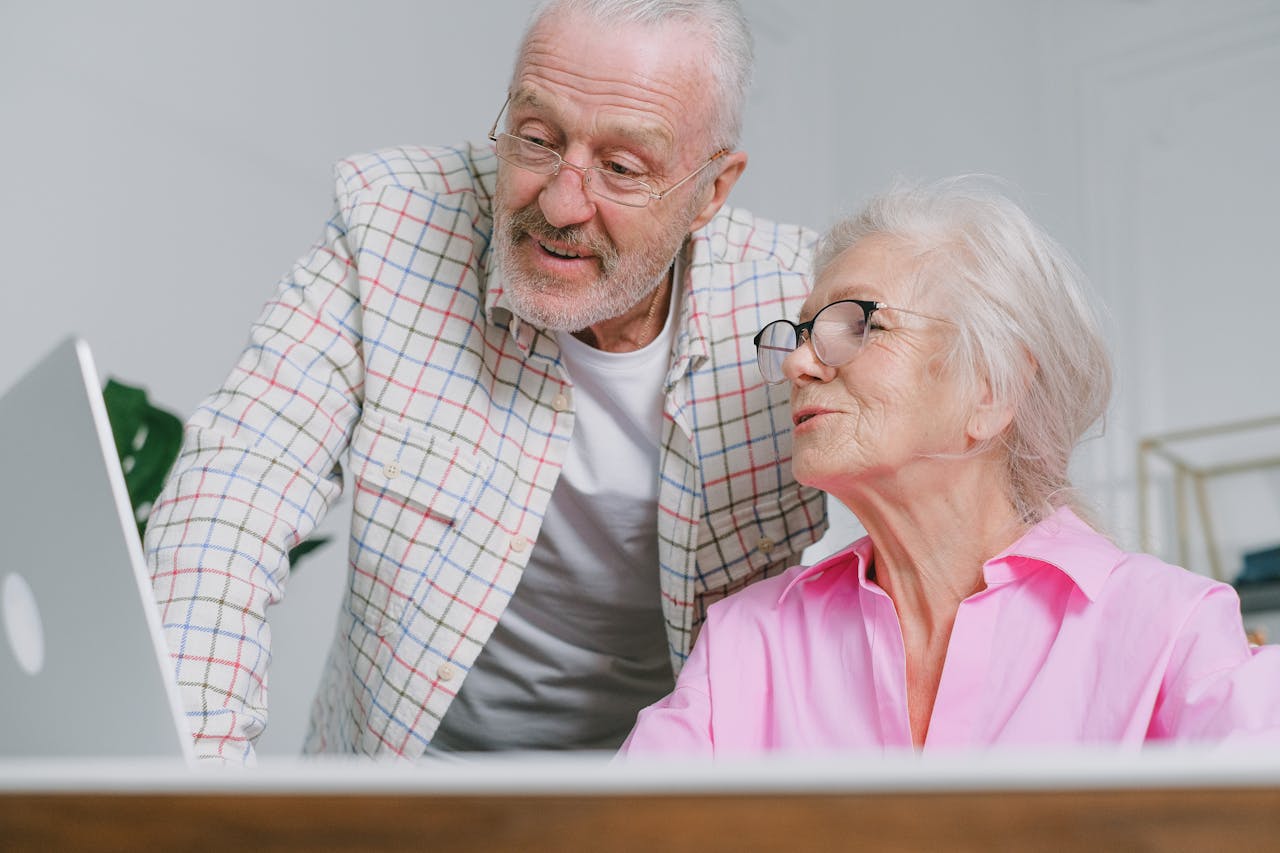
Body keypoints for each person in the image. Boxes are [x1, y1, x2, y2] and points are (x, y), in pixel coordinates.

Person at [145, 0, 827, 763]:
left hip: (645, 793)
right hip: (391, 780)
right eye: (536, 139)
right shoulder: (393, 224)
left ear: (710, 192)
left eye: (622, 168)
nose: (562, 203)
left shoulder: (797, 308)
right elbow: (233, 498)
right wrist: (192, 794)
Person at [619, 178, 1280, 757]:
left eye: (852, 323)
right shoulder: (748, 641)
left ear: (991, 388)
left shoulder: (1169, 626)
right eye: (796, 334)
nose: (797, 364)